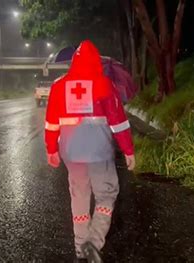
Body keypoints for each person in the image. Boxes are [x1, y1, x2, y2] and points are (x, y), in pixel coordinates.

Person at [44, 40, 135, 262]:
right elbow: (119, 122)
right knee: (106, 196)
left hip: (72, 153)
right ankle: (93, 244)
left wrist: (51, 150)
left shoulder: (58, 86)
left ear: (73, 61)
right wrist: (128, 150)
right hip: (99, 152)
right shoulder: (105, 84)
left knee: (79, 196)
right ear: (97, 62)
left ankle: (80, 248)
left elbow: (51, 123)